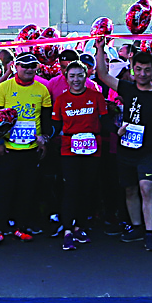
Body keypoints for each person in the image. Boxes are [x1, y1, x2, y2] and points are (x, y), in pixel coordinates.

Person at [94, 37, 152, 250]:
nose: (142, 74)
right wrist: (100, 48)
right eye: (138, 69)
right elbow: (102, 75)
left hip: (148, 151)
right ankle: (137, 227)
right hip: (126, 149)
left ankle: (150, 232)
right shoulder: (127, 88)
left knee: (146, 188)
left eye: (147, 70)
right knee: (130, 189)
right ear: (133, 69)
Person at [0, 52, 52, 244]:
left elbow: (47, 120)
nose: (29, 69)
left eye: (33, 66)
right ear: (16, 67)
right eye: (25, 66)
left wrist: (45, 140)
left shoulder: (42, 90)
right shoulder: (4, 88)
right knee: (3, 191)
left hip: (31, 150)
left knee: (26, 190)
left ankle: (20, 227)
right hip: (8, 150)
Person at [52, 58, 107, 250]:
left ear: (86, 76)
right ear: (66, 78)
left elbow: (105, 121)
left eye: (80, 76)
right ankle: (67, 230)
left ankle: (79, 227)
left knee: (86, 188)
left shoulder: (96, 97)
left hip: (93, 148)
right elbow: (55, 125)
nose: (76, 80)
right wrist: (44, 136)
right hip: (69, 149)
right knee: (71, 188)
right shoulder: (61, 100)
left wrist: (119, 130)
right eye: (72, 76)